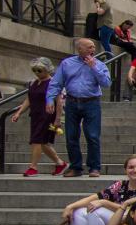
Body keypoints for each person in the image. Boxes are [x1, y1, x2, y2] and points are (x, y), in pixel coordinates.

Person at [46, 38, 112, 178]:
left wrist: (94, 67)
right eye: (89, 47)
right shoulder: (67, 64)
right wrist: (49, 99)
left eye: (93, 47)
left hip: (91, 103)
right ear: (79, 49)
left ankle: (94, 167)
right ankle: (75, 167)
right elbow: (56, 83)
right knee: (71, 136)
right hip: (72, 102)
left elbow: (106, 83)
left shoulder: (99, 64)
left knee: (92, 135)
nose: (92, 50)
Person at [11, 57, 67, 177]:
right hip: (36, 115)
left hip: (47, 116)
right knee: (43, 143)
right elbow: (29, 100)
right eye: (35, 70)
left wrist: (58, 119)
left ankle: (33, 167)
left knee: (37, 140)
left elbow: (59, 102)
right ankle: (60, 163)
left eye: (40, 70)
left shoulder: (53, 83)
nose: (37, 73)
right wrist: (18, 113)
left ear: (47, 69)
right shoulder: (33, 83)